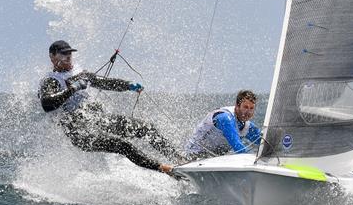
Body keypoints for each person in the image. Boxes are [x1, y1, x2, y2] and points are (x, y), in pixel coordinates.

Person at [38, 40, 180, 175]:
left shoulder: (80, 72)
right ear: (52, 57)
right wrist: (72, 89)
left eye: (69, 53)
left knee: (146, 128)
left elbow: (104, 82)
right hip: (80, 133)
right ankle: (164, 169)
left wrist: (128, 85)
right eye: (63, 53)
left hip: (97, 121)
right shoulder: (51, 80)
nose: (68, 56)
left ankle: (179, 159)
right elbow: (47, 104)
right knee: (123, 145)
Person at [185, 90, 262, 158]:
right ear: (237, 106)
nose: (248, 112)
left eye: (251, 108)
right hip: (194, 155)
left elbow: (263, 142)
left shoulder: (246, 126)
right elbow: (238, 147)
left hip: (212, 157)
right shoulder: (225, 118)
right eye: (245, 107)